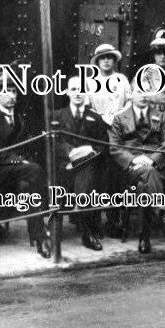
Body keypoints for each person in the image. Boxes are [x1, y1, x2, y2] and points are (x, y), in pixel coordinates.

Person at [0, 71, 52, 258]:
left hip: (17, 174)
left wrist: (23, 159)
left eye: (14, 91)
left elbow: (26, 147)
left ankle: (38, 237)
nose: (12, 95)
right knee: (35, 170)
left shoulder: (19, 119)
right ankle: (41, 229)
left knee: (29, 186)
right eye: (7, 91)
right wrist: (20, 161)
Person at [109, 84, 165, 254]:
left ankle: (144, 237)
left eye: (148, 91)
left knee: (143, 187)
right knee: (145, 176)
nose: (144, 95)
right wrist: (134, 159)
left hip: (155, 166)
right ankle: (160, 209)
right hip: (131, 168)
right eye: (139, 91)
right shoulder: (119, 118)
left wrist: (152, 160)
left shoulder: (162, 115)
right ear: (131, 93)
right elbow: (114, 148)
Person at [53, 75, 109, 251]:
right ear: (68, 92)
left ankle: (86, 230)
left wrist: (90, 150)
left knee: (87, 169)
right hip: (63, 169)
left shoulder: (95, 117)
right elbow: (51, 142)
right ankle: (85, 221)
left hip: (89, 168)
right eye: (74, 89)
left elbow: (104, 145)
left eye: (82, 90)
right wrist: (70, 152)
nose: (78, 93)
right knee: (85, 173)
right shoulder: (56, 115)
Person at [85, 43, 132, 237]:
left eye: (110, 58)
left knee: (116, 176)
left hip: (119, 132)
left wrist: (117, 116)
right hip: (97, 131)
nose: (106, 61)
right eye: (103, 58)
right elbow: (87, 106)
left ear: (114, 60)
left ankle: (114, 221)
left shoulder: (121, 80)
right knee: (97, 175)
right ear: (97, 61)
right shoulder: (89, 82)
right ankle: (94, 223)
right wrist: (101, 118)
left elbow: (129, 102)